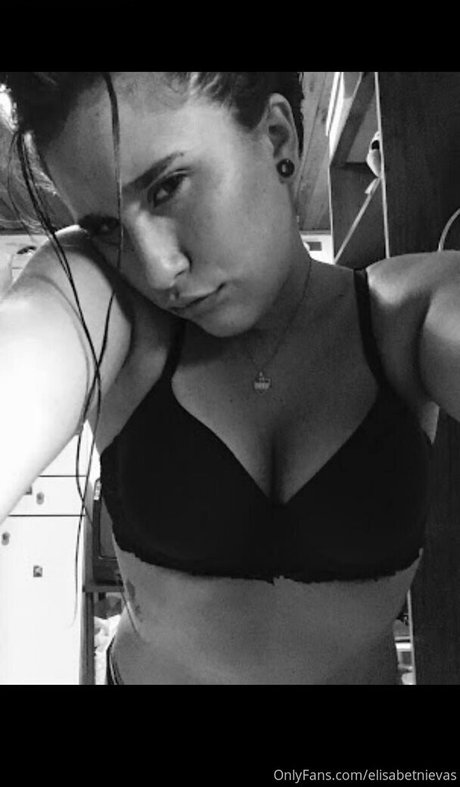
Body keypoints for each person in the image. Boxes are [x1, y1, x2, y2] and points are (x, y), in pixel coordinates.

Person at [0, 71, 457, 685]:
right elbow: (25, 350)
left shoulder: (408, 315)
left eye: (167, 188)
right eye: (107, 228)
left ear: (275, 137)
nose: (157, 269)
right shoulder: (99, 297)